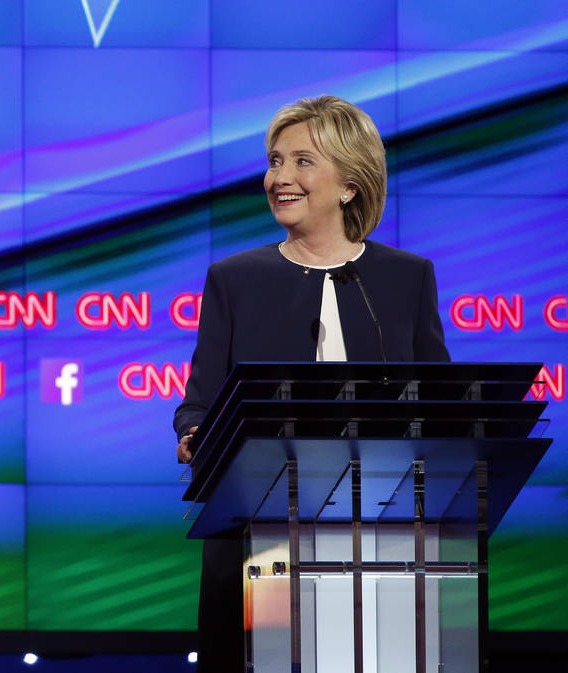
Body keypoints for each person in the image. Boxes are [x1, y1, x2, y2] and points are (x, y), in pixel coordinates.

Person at [173, 95, 449, 671]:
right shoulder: (234, 279)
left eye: (302, 162)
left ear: (350, 183)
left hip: (383, 527)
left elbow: (442, 402)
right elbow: (199, 401)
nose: (280, 178)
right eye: (275, 161)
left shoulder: (407, 277)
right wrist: (196, 433)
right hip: (261, 529)